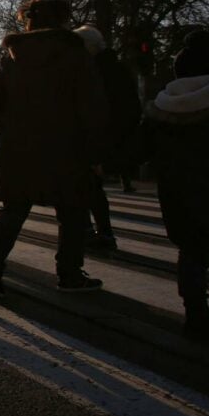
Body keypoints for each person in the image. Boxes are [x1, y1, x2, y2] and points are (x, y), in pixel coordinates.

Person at [0, 0, 108, 298]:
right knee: (72, 212)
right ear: (63, 21)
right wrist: (97, 153)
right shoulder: (74, 55)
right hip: (66, 147)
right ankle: (69, 274)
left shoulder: (11, 58)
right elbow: (92, 108)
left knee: (13, 209)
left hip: (19, 147)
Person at [137, 30, 209, 339]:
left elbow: (136, 150)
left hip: (179, 196)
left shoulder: (160, 110)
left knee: (192, 252)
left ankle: (196, 316)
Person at [73, 24, 142, 250]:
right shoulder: (116, 68)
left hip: (94, 138)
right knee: (89, 186)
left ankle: (94, 232)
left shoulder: (93, 72)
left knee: (84, 186)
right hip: (105, 137)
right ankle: (101, 232)